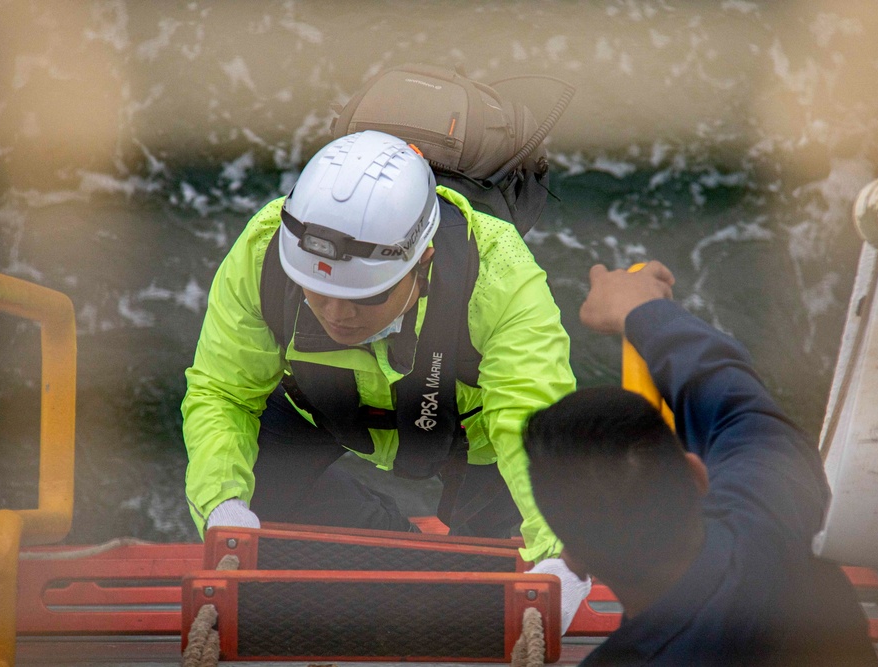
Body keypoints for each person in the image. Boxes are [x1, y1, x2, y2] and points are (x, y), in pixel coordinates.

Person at [182, 129, 590, 632]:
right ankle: (374, 524)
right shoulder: (266, 252)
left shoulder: (500, 277)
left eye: (364, 297)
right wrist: (223, 504)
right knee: (254, 531)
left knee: (480, 601)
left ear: (423, 263)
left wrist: (561, 552)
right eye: (315, 290)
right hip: (322, 408)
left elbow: (534, 423)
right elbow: (223, 393)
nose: (335, 315)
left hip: (469, 434)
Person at [522, 261, 878, 665]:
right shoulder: (774, 507)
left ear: (576, 557)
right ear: (696, 473)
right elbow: (727, 392)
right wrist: (639, 309)